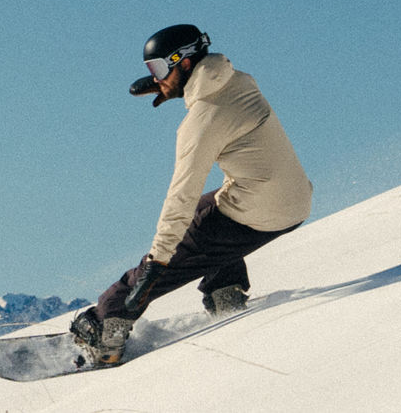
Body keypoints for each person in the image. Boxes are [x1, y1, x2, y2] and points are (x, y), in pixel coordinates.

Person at [66, 24, 315, 366]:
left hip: (259, 212)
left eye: (158, 69)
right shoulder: (239, 80)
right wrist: (173, 87)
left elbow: (180, 197)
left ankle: (106, 326)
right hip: (295, 199)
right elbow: (208, 95)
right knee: (210, 208)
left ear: (182, 63)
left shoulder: (200, 122)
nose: (156, 79)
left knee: (186, 232)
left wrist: (156, 263)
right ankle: (224, 289)